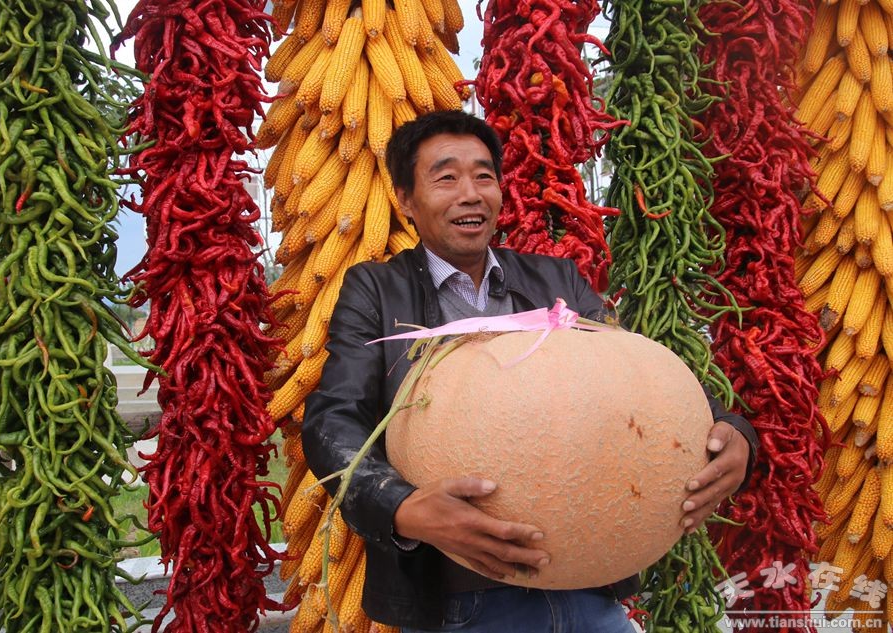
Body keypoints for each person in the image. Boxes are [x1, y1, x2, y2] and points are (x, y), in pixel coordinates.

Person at [301, 110, 758, 632]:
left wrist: (730, 430)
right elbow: (333, 419)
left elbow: (636, 378)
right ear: (406, 199)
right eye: (446, 178)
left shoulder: (555, 280)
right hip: (460, 603)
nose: (470, 194)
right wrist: (400, 506)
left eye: (484, 176)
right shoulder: (377, 290)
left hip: (587, 588)